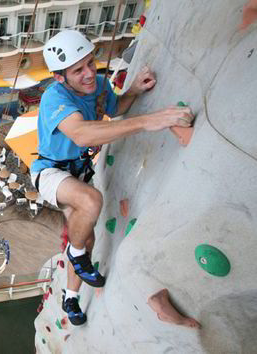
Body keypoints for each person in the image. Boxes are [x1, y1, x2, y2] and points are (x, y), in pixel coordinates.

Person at [32, 30, 194, 326]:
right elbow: (81, 133)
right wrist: (148, 121)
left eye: (90, 63)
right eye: (78, 70)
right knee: (91, 202)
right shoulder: (54, 97)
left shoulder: (100, 85)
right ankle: (75, 252)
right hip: (50, 171)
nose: (89, 73)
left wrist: (133, 90)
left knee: (87, 237)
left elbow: (113, 107)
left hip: (78, 172)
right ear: (60, 77)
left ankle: (71, 296)